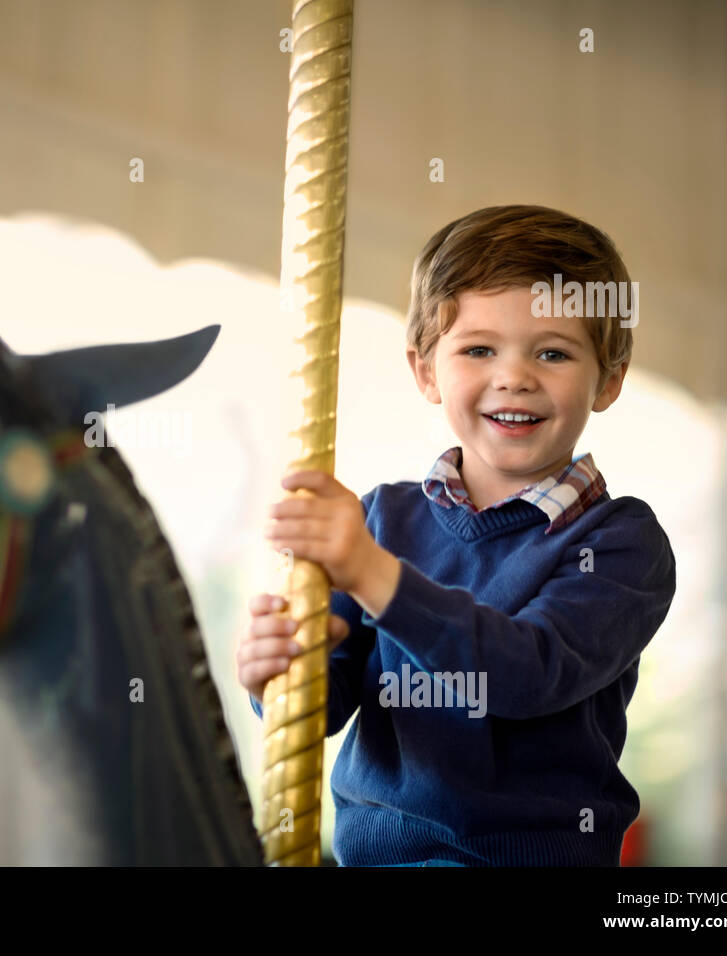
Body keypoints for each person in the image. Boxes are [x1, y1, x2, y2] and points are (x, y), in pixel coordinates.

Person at [239, 204, 676, 867]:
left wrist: (374, 574)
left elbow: (528, 674)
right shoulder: (382, 520)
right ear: (425, 371)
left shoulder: (619, 543)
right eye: (478, 349)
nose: (515, 375)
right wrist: (277, 675)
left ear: (608, 379)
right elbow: (325, 705)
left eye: (553, 352)